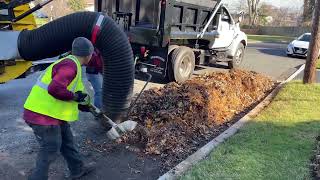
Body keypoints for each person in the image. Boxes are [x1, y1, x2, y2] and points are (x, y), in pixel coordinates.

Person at [23, 37, 95, 180]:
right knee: (50, 149)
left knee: (67, 142)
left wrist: (82, 104)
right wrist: (75, 97)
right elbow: (55, 88)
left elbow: (71, 90)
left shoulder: (71, 63)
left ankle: (77, 170)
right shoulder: (70, 66)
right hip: (42, 115)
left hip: (54, 115)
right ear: (88, 55)